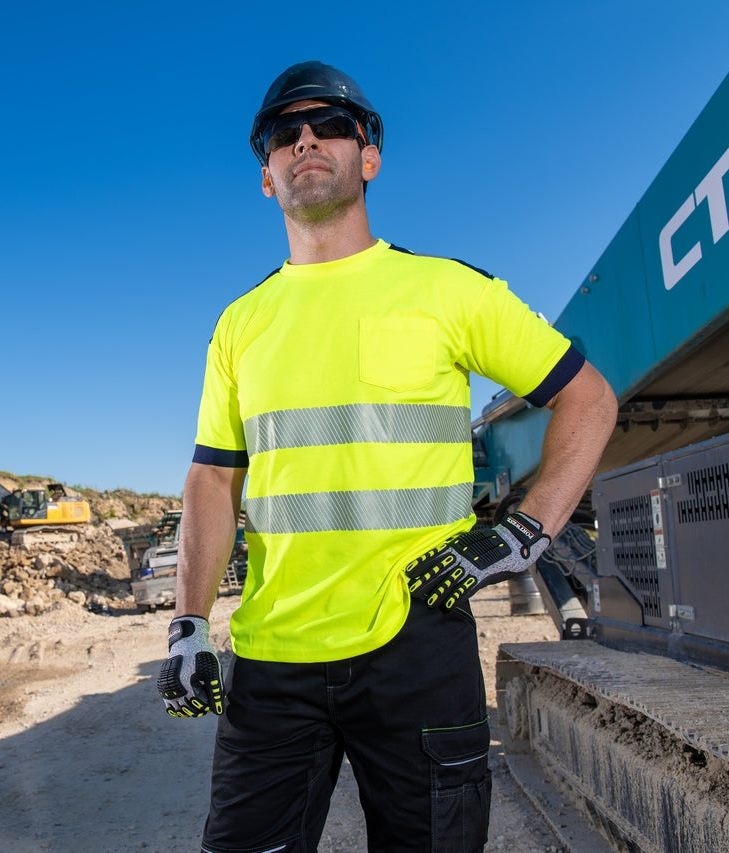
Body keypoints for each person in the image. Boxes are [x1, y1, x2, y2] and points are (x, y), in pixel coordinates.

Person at [157, 60, 617, 852]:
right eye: (282, 132)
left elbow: (590, 398)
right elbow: (212, 477)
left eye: (330, 124)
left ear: (368, 155)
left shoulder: (450, 292)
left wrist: (525, 532)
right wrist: (188, 623)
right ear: (266, 175)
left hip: (418, 645)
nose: (306, 138)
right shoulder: (240, 325)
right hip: (272, 658)